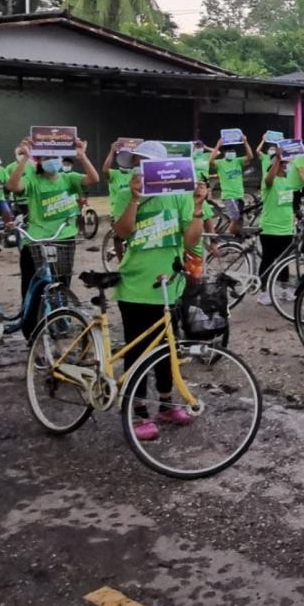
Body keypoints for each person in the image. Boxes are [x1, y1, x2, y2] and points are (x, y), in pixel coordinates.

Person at [111, 141, 209, 443]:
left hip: (170, 285)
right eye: (137, 163)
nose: (141, 168)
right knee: (137, 350)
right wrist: (135, 200)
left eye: (147, 163)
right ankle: (138, 410)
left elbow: (191, 238)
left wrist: (196, 209)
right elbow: (122, 232)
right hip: (135, 285)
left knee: (168, 347)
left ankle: (166, 404)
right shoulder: (125, 194)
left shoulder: (179, 196)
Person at [7, 135, 98, 306]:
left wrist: (82, 156)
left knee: (62, 281)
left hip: (64, 238)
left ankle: (61, 317)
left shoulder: (68, 178)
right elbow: (13, 186)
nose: (52, 161)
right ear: (39, 161)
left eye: (55, 157)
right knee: (32, 283)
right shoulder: (33, 180)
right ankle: (31, 318)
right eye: (46, 157)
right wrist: (25, 158)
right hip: (37, 239)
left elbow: (93, 179)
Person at [257, 148, 304, 306]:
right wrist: (278, 159)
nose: (286, 166)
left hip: (286, 229)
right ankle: (264, 291)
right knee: (268, 259)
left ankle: (284, 288)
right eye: (283, 164)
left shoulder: (289, 182)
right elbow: (268, 181)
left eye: (286, 163)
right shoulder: (269, 180)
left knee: (284, 260)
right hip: (269, 228)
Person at [211, 133, 253, 236]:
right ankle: (229, 236)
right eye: (229, 151)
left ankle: (237, 234)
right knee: (235, 218)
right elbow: (210, 161)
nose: (232, 153)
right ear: (225, 153)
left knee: (239, 218)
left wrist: (245, 142)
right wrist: (218, 145)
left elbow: (250, 156)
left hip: (239, 194)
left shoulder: (238, 161)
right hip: (229, 195)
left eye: (233, 151)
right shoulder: (220, 163)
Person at [102, 140, 137, 221]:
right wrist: (112, 151)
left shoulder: (135, 173)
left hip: (133, 209)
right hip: (118, 210)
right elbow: (105, 170)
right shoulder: (114, 174)